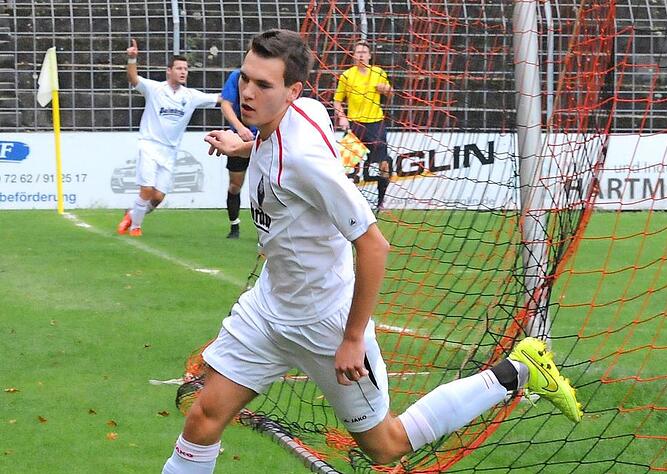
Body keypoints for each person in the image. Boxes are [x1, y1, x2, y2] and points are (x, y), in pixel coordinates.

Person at [161, 29, 582, 474]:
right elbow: (278, 137)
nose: (247, 91)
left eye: (264, 85)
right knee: (203, 417)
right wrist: (243, 145)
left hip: (326, 323)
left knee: (386, 446)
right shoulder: (306, 110)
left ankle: (517, 371)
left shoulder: (304, 163)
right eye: (245, 78)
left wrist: (352, 338)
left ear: (292, 92)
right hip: (268, 311)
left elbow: (373, 245)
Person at [117, 39, 222, 237]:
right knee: (146, 190)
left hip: (170, 151)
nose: (183, 72)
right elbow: (133, 79)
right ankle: (135, 228)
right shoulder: (155, 89)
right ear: (169, 71)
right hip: (149, 145)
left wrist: (243, 87)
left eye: (186, 69)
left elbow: (219, 98)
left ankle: (132, 214)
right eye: (179, 68)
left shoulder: (191, 96)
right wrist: (132, 58)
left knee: (157, 197)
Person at [333, 40, 393, 212]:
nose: (360, 55)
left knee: (384, 164)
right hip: (355, 124)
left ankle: (381, 202)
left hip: (376, 123)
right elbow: (337, 101)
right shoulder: (347, 75)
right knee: (342, 166)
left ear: (369, 56)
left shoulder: (378, 72)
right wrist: (342, 118)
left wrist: (385, 90)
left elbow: (390, 93)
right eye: (357, 52)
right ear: (353, 55)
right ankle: (341, 203)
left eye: (363, 52)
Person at [219, 68, 257, 239]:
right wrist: (240, 128)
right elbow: (225, 104)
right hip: (239, 140)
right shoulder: (236, 77)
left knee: (268, 186)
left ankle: (268, 230)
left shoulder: (271, 78)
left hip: (264, 138)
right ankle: (234, 226)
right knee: (235, 185)